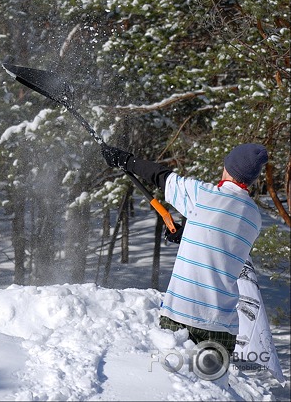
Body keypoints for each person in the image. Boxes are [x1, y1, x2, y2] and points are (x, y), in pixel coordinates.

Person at [100, 142, 268, 354]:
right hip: (222, 329)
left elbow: (161, 176)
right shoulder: (254, 217)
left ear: (229, 169)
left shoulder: (203, 195)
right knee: (212, 388)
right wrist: (188, 235)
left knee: (171, 384)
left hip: (183, 318)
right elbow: (224, 247)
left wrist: (125, 161)